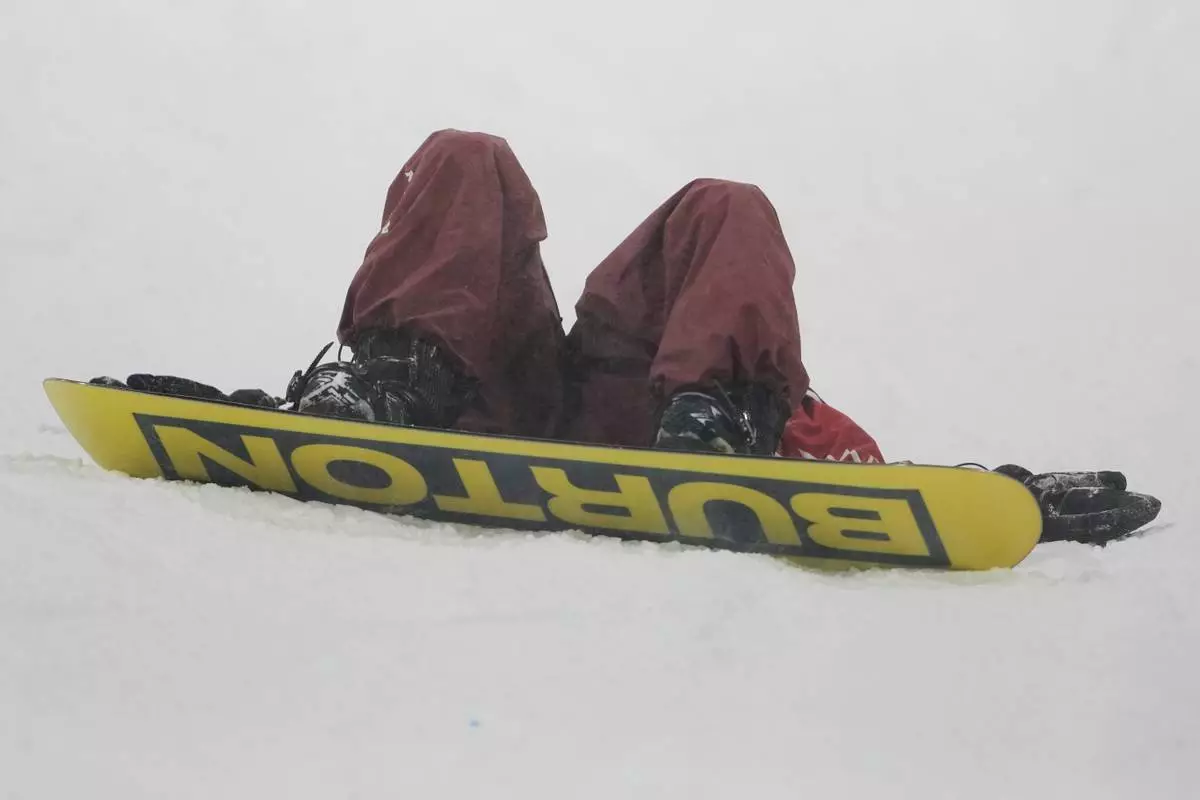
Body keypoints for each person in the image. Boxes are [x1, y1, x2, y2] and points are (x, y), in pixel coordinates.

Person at [102, 129, 1160, 544]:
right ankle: (395, 378)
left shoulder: (801, 419)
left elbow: (874, 477)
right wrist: (244, 420)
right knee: (472, 159)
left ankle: (712, 413)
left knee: (725, 201)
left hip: (644, 411)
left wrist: (1007, 491)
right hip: (488, 390)